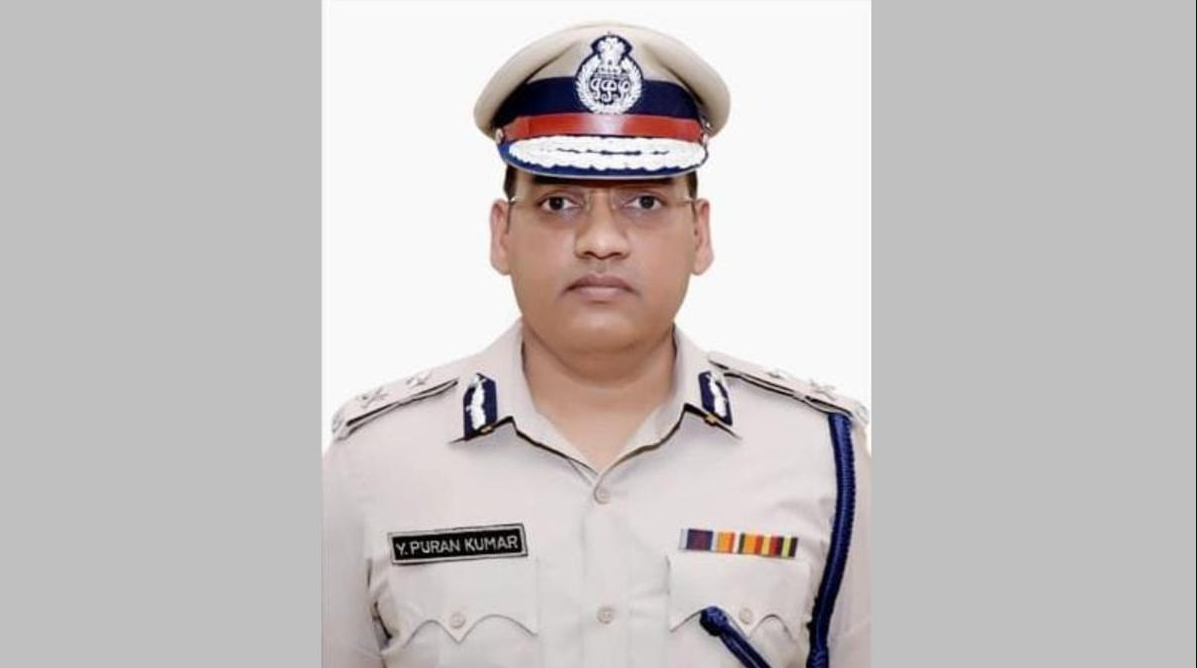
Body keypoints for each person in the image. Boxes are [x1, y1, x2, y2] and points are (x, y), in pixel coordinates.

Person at [323, 21, 870, 668]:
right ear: (502, 234)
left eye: (644, 202)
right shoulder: (374, 467)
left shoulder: (821, 461)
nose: (601, 241)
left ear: (699, 234)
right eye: (559, 203)